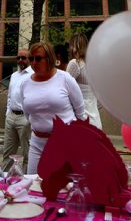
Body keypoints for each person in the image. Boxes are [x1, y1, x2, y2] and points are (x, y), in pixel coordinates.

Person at [20, 40, 86, 175]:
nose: (33, 63)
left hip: (64, 142)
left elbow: (80, 111)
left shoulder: (65, 78)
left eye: (38, 59)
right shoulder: (25, 83)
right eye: (31, 59)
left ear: (49, 58)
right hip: (37, 143)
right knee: (33, 184)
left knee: (63, 186)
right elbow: (28, 113)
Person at [2, 49, 32, 171]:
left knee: (27, 153)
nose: (20, 60)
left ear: (29, 59)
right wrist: (7, 113)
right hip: (11, 116)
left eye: (23, 58)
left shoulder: (32, 75)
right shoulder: (14, 76)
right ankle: (3, 178)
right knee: (7, 152)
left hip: (24, 118)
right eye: (18, 57)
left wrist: (29, 118)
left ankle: (27, 179)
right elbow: (9, 96)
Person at [66, 33, 102, 129]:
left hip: (80, 121)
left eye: (70, 46)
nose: (69, 49)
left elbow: (64, 90)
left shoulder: (75, 63)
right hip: (96, 121)